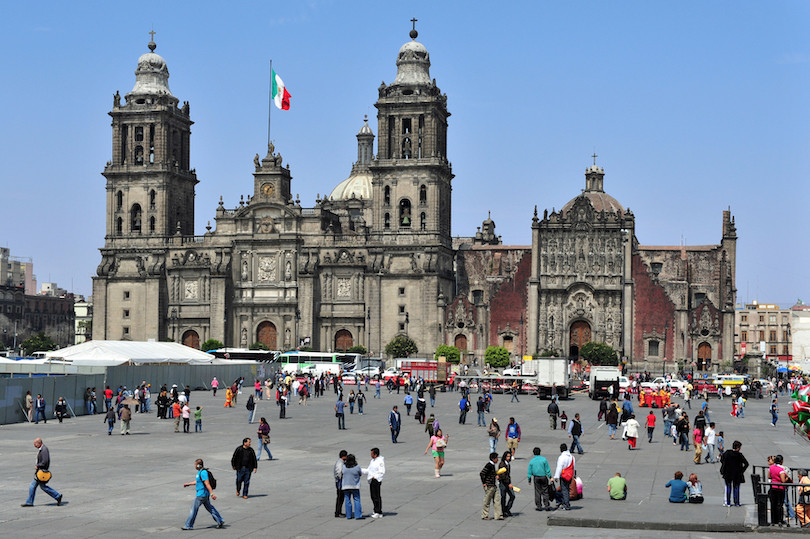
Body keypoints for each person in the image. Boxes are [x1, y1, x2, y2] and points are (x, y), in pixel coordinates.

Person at [182, 458, 224, 530]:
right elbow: (198, 482)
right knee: (210, 508)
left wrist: (212, 494)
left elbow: (207, 483)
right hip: (204, 495)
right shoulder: (200, 472)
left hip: (201, 495)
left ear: (198, 465)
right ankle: (220, 520)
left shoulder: (203, 473)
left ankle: (188, 525)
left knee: (193, 510)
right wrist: (189, 484)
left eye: (195, 465)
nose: (194, 466)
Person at [22, 438, 63, 507]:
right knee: (39, 486)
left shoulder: (44, 450)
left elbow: (45, 461)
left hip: (42, 472)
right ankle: (57, 496)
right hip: (40, 472)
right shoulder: (42, 449)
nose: (34, 445)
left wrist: (38, 465)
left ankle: (57, 495)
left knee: (35, 486)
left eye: (35, 444)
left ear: (39, 443)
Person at [720, 440, 749, 506]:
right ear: (738, 447)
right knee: (736, 488)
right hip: (737, 474)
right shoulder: (739, 455)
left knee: (728, 487)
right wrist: (742, 470)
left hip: (727, 473)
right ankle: (737, 502)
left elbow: (722, 460)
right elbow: (746, 463)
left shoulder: (727, 453)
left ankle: (728, 502)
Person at [362, 447, 385, 518]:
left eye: (371, 453)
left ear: (375, 454)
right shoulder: (372, 461)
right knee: (373, 496)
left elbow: (382, 471)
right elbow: (369, 470)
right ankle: (376, 510)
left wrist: (375, 478)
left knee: (376, 496)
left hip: (376, 480)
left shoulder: (380, 461)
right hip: (371, 480)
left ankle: (378, 511)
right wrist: (360, 470)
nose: (370, 455)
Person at [527, 447, 552, 511]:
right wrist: (550, 477)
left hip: (536, 477)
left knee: (537, 492)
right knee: (545, 491)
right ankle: (547, 505)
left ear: (533, 453)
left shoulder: (532, 461)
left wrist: (529, 479)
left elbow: (529, 471)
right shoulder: (544, 460)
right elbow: (547, 469)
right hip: (543, 477)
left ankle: (539, 506)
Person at [480, 452, 503, 520]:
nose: (497, 460)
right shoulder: (488, 465)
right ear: (493, 459)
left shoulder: (492, 465)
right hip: (489, 486)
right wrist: (484, 483)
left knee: (497, 500)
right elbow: (482, 473)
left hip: (493, 485)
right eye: (496, 458)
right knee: (487, 501)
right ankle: (485, 515)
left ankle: (498, 515)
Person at [342, 453, 364, 519]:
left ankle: (348, 515)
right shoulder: (357, 467)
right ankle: (358, 515)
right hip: (355, 485)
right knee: (356, 500)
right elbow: (360, 473)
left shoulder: (344, 467)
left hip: (346, 485)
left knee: (347, 500)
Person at [769, 454, 790, 525]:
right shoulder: (781, 470)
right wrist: (787, 478)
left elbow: (769, 476)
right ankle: (779, 520)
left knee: (773, 504)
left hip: (772, 487)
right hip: (780, 488)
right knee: (779, 504)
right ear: (781, 461)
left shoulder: (771, 467)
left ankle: (773, 520)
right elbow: (783, 480)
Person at [553, 443, 575, 510]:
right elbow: (573, 467)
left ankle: (566, 505)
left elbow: (559, 467)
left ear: (561, 449)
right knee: (567, 489)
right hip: (569, 475)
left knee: (564, 490)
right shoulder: (572, 457)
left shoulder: (561, 457)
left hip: (564, 475)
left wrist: (556, 476)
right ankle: (566, 503)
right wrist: (573, 475)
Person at [498, 450, 515, 517]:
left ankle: (506, 509)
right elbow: (503, 476)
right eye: (508, 456)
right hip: (503, 483)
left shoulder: (508, 464)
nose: (509, 457)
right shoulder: (502, 464)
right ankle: (503, 511)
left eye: (510, 456)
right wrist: (508, 483)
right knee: (503, 497)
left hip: (507, 483)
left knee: (512, 496)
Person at [333, 450, 348, 517]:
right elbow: (339, 472)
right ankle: (338, 512)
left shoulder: (340, 462)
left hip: (339, 482)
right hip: (340, 483)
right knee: (340, 498)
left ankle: (339, 511)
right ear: (344, 456)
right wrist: (342, 477)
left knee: (341, 498)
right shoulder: (340, 463)